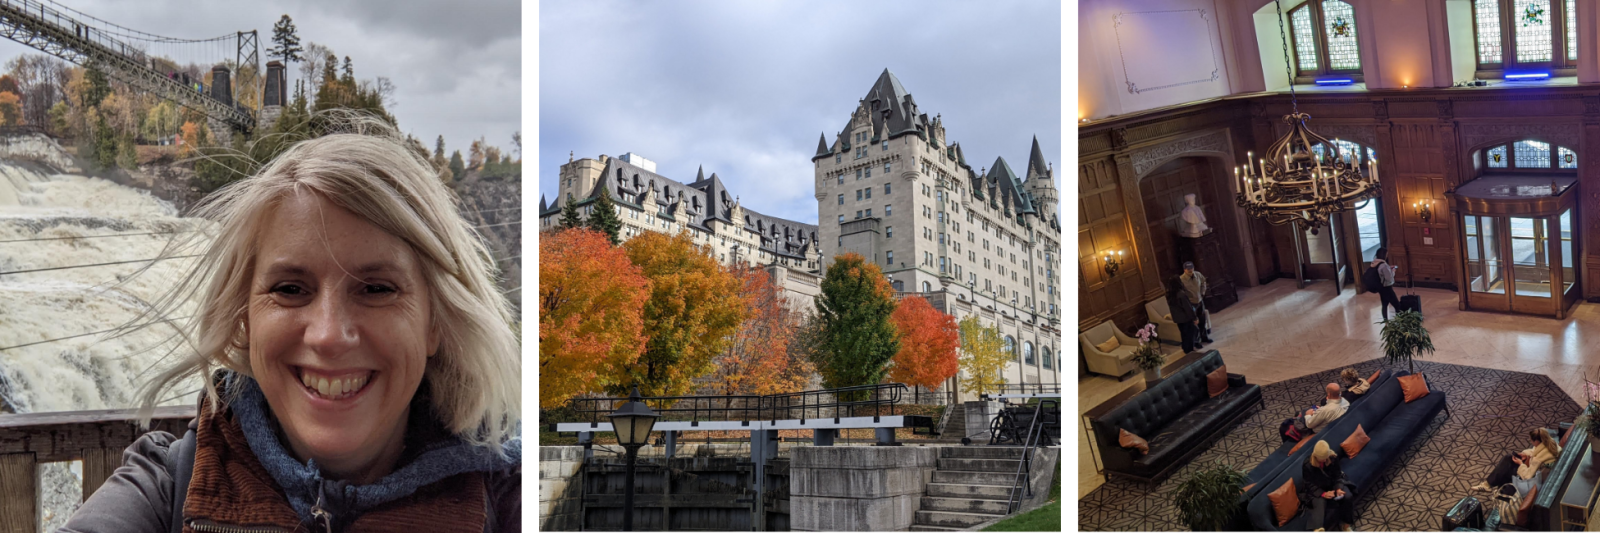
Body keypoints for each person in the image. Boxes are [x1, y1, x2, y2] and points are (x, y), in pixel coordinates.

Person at [63, 111, 522, 532]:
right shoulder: (167, 487)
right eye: (290, 289)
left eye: (377, 289)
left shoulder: (508, 498)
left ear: (435, 323)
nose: (327, 335)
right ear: (243, 316)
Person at [1473, 427, 1562, 493]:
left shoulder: (1539, 459)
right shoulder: (1551, 443)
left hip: (1532, 479)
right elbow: (1535, 452)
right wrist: (1525, 454)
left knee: (1507, 466)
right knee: (1508, 460)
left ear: (1537, 442)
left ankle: (1488, 485)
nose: (1531, 443)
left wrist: (1520, 464)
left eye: (1531, 441)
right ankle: (1490, 485)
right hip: (1536, 470)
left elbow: (1528, 476)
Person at [1301, 441, 1356, 532]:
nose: (1323, 461)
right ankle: (1317, 529)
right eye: (1321, 459)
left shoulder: (1333, 457)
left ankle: (1346, 525)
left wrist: (1338, 488)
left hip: (1333, 484)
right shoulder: (1307, 465)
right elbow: (1309, 484)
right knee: (1319, 503)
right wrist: (1323, 494)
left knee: (1347, 496)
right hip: (1319, 489)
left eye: (1325, 458)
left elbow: (1338, 475)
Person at [1180, 261, 1214, 345]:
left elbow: (1203, 282)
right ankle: (1196, 341)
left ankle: (1204, 337)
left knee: (1202, 320)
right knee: (1194, 324)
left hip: (1200, 301)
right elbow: (1181, 293)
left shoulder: (1198, 274)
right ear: (1184, 270)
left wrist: (1202, 292)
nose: (1190, 270)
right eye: (1188, 269)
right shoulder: (1181, 280)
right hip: (1191, 304)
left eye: (1191, 268)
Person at [1167, 277, 1199, 353]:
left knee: (1184, 334)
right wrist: (1194, 318)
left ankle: (1185, 348)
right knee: (1190, 334)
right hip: (1185, 318)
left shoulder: (1169, 295)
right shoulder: (1181, 294)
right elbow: (1187, 307)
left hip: (1178, 319)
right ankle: (1190, 350)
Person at [1369, 248, 1401, 319]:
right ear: (1384, 255)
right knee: (1397, 305)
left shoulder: (1374, 263)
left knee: (1384, 305)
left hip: (1380, 287)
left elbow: (1380, 272)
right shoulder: (1384, 265)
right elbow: (1389, 279)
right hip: (1387, 287)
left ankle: (1385, 321)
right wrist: (1393, 271)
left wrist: (1389, 269)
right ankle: (1400, 321)